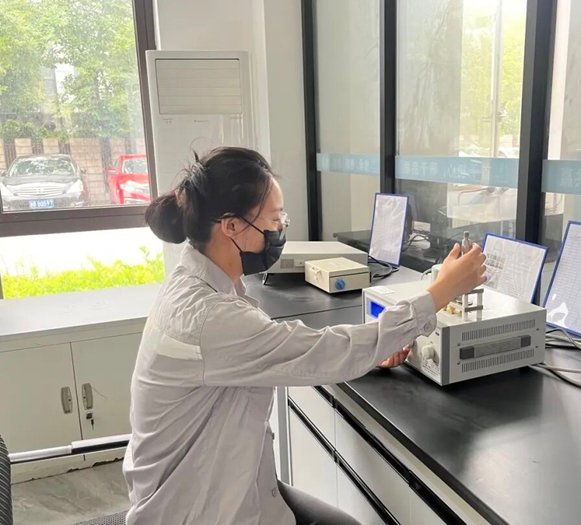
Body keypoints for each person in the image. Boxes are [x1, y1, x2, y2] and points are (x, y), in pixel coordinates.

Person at [123, 147, 487, 525]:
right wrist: (439, 293)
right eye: (275, 219)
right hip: (197, 510)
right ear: (230, 226)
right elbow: (324, 353)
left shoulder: (197, 285)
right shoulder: (208, 318)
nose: (281, 229)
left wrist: (373, 348)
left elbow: (299, 353)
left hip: (231, 483)